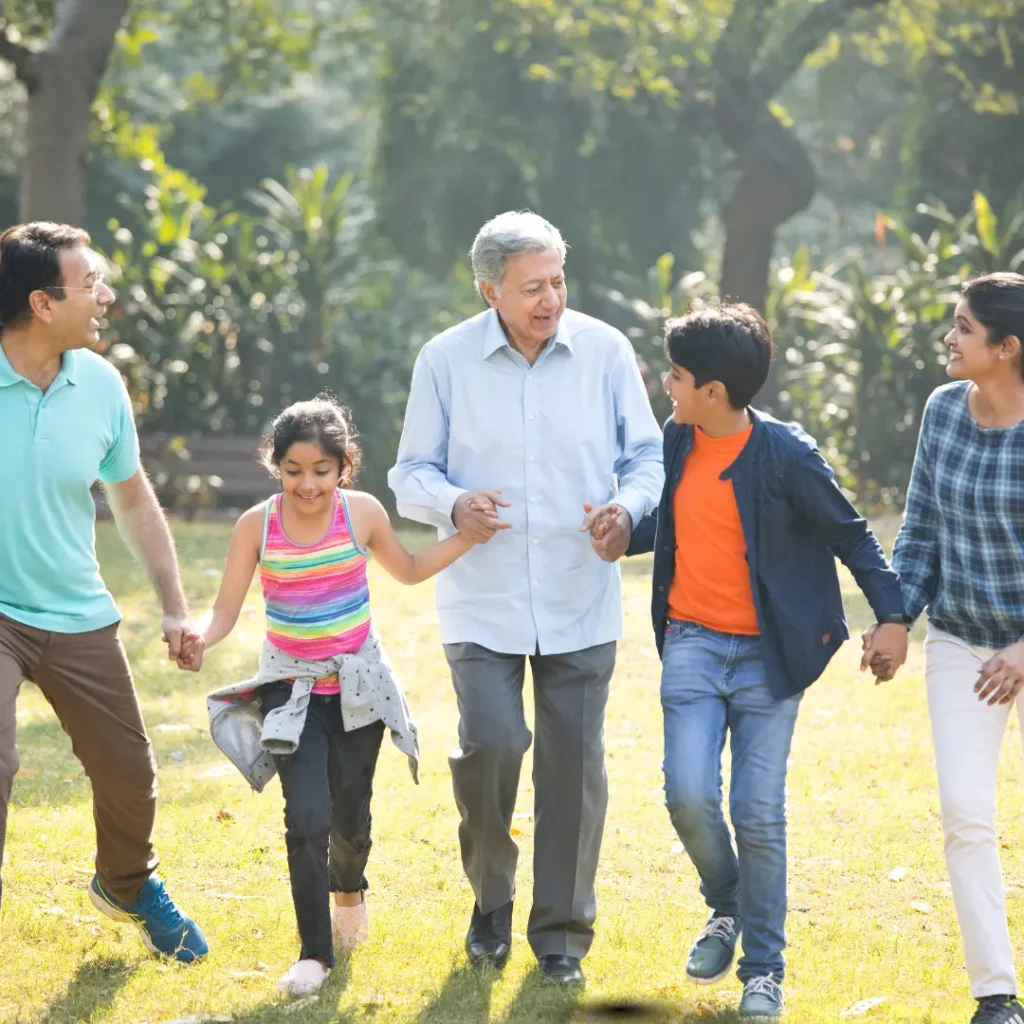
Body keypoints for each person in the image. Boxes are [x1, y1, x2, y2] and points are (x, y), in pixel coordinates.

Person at [388, 210, 663, 986]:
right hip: (483, 600)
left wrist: (630, 509)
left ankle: (562, 937)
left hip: (582, 595)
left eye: (558, 280)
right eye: (532, 287)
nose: (551, 299)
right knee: (493, 747)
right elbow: (410, 473)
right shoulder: (444, 360)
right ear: (489, 291)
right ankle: (490, 902)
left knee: (575, 768)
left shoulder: (605, 349)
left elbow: (646, 453)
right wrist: (453, 504)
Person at [619, 302, 907, 1017]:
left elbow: (853, 536)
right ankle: (727, 903)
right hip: (690, 638)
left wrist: (894, 617)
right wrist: (621, 530)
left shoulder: (786, 455)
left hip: (767, 655)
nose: (667, 385)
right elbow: (676, 521)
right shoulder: (679, 437)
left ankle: (764, 972)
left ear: (713, 392)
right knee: (685, 792)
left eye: (677, 376)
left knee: (757, 811)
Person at [176, 395, 481, 996]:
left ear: (344, 465)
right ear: (275, 465)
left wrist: (467, 537)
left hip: (358, 690)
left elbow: (413, 568)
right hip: (289, 691)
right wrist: (199, 639)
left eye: (321, 470)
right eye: (293, 470)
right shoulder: (255, 525)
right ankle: (313, 954)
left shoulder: (361, 513)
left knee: (350, 819)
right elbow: (226, 609)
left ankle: (350, 889)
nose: (307, 483)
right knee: (306, 818)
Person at [0, 222, 207, 961]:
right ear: (41, 302)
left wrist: (176, 605)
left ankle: (125, 882)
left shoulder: (99, 383)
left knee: (130, 776)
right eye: (89, 284)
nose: (104, 297)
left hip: (75, 607)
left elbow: (133, 499)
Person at [866, 273, 1024, 1024]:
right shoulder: (942, 410)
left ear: (1008, 347)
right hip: (962, 635)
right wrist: (897, 616)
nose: (949, 338)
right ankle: (997, 994)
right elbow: (921, 523)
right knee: (965, 808)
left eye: (963, 327)